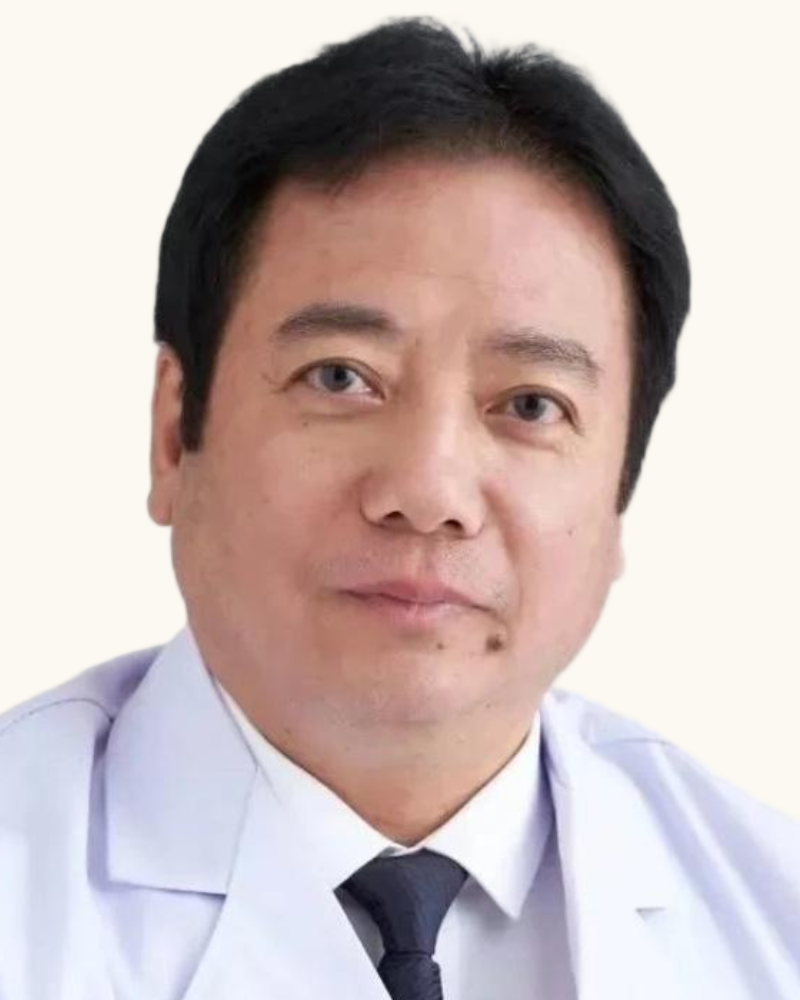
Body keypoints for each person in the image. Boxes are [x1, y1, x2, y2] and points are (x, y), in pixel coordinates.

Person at [1, 15, 798, 1000]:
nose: (428, 492)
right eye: (340, 377)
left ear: (618, 491)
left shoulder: (773, 914)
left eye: (530, 405)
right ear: (173, 434)